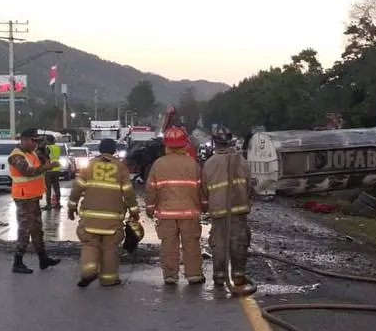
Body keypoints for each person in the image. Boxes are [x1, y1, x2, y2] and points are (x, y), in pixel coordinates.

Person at [68, 138, 140, 287]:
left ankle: (89, 270)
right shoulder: (121, 167)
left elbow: (77, 188)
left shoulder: (89, 166)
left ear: (100, 150)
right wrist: (134, 211)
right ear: (114, 150)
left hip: (90, 217)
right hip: (113, 219)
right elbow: (128, 192)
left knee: (90, 244)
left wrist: (72, 207)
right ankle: (109, 279)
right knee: (110, 248)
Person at [145, 126, 206, 285]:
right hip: (189, 214)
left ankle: (170, 275)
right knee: (191, 244)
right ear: (184, 144)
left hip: (166, 214)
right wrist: (204, 206)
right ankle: (194, 275)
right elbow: (202, 189)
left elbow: (151, 189)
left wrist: (150, 209)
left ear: (166, 145)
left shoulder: (158, 164)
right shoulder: (192, 164)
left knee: (169, 245)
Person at [201, 126, 255, 295]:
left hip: (218, 212)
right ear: (230, 141)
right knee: (239, 243)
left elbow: (204, 191)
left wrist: (205, 206)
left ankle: (219, 277)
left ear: (214, 143)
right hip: (238, 211)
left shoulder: (209, 164)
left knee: (219, 244)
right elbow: (249, 185)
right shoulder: (242, 161)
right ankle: (238, 277)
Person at [7, 129, 61, 274]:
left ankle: (43, 259)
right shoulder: (16, 156)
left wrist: (44, 153)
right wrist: (47, 167)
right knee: (25, 230)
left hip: (33, 197)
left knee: (37, 229)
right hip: (24, 198)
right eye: (33, 141)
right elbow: (28, 171)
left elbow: (40, 162)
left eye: (37, 142)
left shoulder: (31, 153)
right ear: (24, 140)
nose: (35, 144)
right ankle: (17, 262)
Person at [44, 136, 64, 210]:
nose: (45, 142)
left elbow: (45, 157)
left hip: (49, 170)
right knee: (56, 186)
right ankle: (58, 203)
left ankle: (49, 205)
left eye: (46, 140)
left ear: (49, 141)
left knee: (48, 188)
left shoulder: (48, 148)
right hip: (57, 169)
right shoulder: (57, 147)